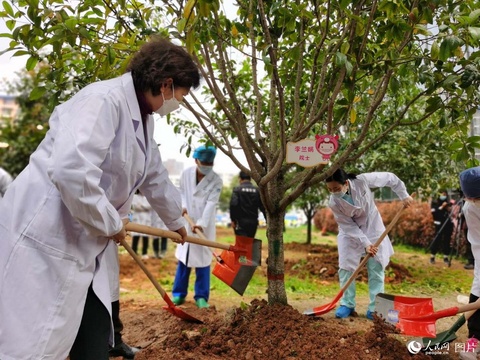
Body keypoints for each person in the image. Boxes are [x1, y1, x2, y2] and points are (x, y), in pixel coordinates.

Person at [0, 37, 199, 360]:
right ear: (166, 84)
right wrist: (110, 222)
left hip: (83, 246)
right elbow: (71, 171)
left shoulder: (143, 120)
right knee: (25, 348)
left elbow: (154, 176)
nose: (179, 102)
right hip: (44, 242)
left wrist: (176, 220)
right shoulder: (103, 101)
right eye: (181, 95)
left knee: (92, 342)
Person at [325, 168, 413, 320]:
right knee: (346, 267)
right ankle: (347, 304)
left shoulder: (362, 181)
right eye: (330, 190)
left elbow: (390, 178)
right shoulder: (334, 202)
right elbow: (348, 225)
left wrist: (403, 195)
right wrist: (365, 243)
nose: (334, 192)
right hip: (349, 233)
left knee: (376, 266)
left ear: (346, 183)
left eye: (337, 188)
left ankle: (375, 308)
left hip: (372, 227)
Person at [172, 145, 223, 309]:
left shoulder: (216, 181)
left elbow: (211, 204)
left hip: (203, 227)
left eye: (210, 163)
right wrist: (183, 206)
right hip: (186, 223)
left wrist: (201, 223)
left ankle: (201, 296)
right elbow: (180, 192)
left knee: (203, 263)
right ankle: (178, 294)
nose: (207, 166)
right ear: (196, 160)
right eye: (204, 163)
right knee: (184, 260)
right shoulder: (186, 174)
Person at [459, 166, 480, 359]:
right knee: (479, 290)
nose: (472, 201)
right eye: (470, 197)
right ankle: (474, 340)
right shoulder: (470, 207)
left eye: (476, 198)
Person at [229, 170, 266, 238]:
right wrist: (267, 219)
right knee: (249, 242)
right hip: (253, 222)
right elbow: (262, 206)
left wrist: (233, 220)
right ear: (250, 178)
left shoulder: (237, 190)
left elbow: (233, 205)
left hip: (240, 222)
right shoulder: (257, 190)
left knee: (241, 244)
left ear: (240, 178)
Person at [429, 191, 454, 265]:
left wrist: (449, 208)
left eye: (445, 194)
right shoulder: (435, 203)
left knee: (447, 240)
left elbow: (451, 212)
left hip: (447, 223)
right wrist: (441, 207)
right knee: (437, 239)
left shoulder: (447, 202)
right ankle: (432, 256)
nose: (443, 196)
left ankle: (446, 257)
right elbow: (434, 212)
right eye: (442, 194)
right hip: (439, 224)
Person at [131, 191, 153, 259]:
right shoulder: (134, 196)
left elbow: (150, 206)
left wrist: (141, 206)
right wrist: (144, 207)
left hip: (146, 218)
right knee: (135, 237)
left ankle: (144, 253)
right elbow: (134, 206)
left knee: (145, 237)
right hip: (137, 218)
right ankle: (134, 253)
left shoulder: (149, 197)